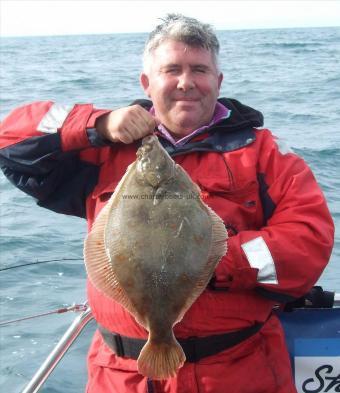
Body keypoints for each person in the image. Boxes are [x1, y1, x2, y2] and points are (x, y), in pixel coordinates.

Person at [0, 14, 334, 393]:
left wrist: (207, 258)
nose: (186, 82)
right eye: (171, 69)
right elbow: (10, 141)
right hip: (122, 376)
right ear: (147, 82)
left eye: (199, 70)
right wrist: (98, 124)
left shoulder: (266, 153)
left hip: (240, 371)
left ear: (218, 81)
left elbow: (308, 243)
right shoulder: (105, 148)